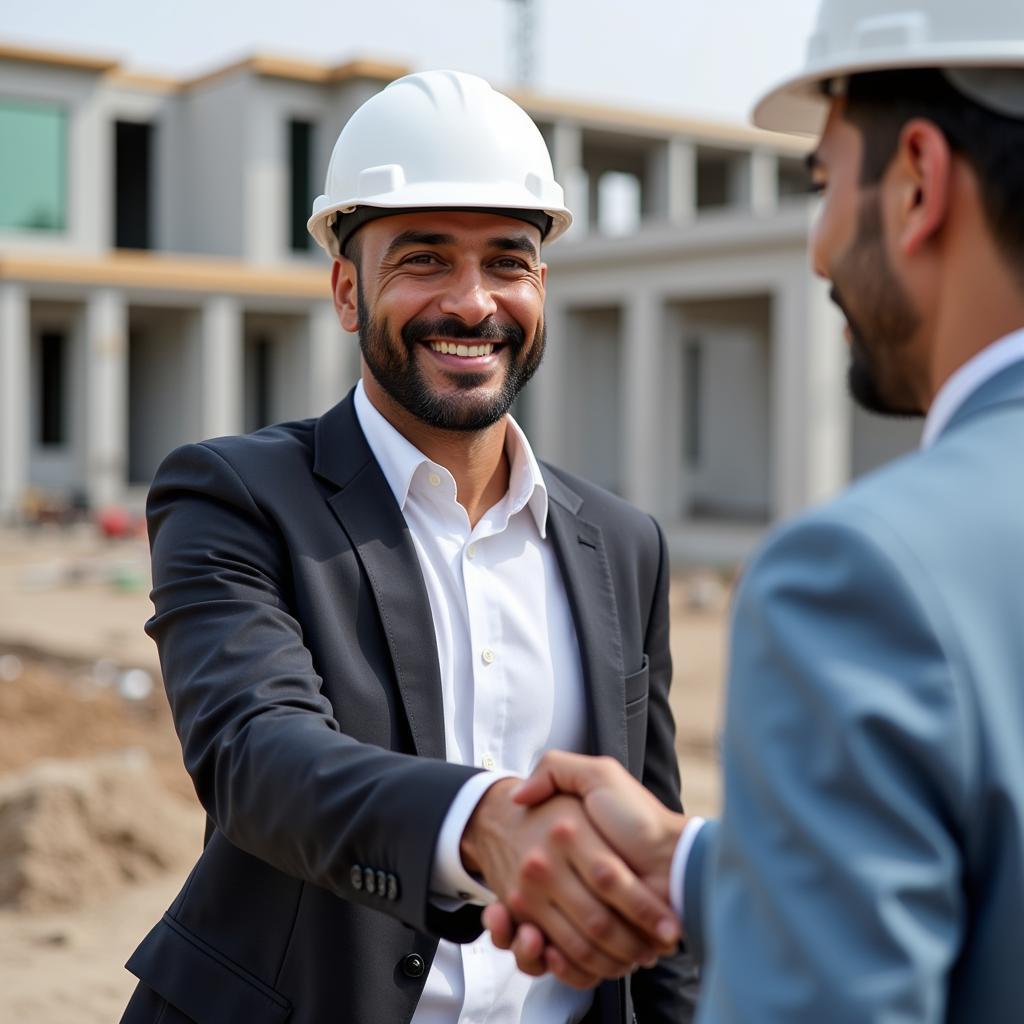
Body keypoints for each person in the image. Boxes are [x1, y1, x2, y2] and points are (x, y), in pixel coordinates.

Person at [119, 70, 696, 1024]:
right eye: (424, 260)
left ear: (540, 285)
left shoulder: (624, 546)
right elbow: (259, 756)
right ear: (347, 289)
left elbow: (652, 872)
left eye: (508, 261)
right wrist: (482, 826)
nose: (473, 304)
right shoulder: (234, 497)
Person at [484, 1, 1024, 1019]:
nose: (819, 250)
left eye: (822, 184)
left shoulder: (865, 578)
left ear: (916, 179)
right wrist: (693, 863)